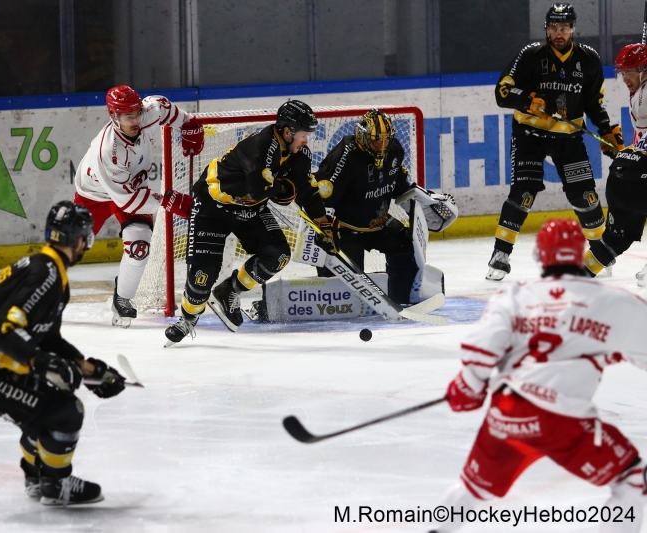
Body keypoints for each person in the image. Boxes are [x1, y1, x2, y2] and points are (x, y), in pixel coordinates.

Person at [430, 219, 647, 533]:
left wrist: (468, 386)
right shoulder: (611, 301)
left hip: (507, 415)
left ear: (540, 255)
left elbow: (482, 351)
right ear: (580, 253)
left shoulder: (516, 296)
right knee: (630, 477)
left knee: (472, 488)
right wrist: (606, 350)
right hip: (563, 422)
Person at [0, 201, 127, 506]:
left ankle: (36, 477)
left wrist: (90, 370)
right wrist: (43, 363)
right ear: (80, 240)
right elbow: (4, 331)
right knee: (65, 410)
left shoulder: (48, 269)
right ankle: (56, 485)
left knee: (47, 402)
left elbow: (47, 337)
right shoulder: (46, 275)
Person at [163, 100, 336, 345]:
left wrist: (324, 225)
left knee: (277, 255)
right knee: (202, 278)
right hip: (213, 208)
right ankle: (188, 319)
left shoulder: (299, 155)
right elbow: (258, 189)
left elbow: (306, 191)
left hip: (250, 208)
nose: (306, 141)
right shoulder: (260, 145)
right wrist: (283, 189)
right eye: (303, 135)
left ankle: (229, 290)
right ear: (288, 131)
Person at [487, 3, 624, 281]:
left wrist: (607, 130)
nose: (558, 33)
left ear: (573, 29)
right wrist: (527, 101)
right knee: (523, 192)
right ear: (546, 29)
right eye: (553, 27)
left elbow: (593, 103)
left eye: (564, 27)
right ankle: (500, 254)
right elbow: (502, 92)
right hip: (530, 136)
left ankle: (600, 252)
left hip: (568, 140)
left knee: (584, 195)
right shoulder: (531, 55)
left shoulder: (588, 59)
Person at [74, 85, 202, 328]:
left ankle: (122, 298)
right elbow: (128, 200)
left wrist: (189, 124)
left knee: (139, 247)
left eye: (137, 113)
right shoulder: (108, 151)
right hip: (94, 195)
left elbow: (165, 108)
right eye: (128, 117)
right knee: (69, 249)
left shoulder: (148, 113)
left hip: (131, 189)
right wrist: (167, 200)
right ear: (114, 116)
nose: (136, 121)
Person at [310, 109, 458, 304]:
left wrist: (425, 200)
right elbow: (321, 197)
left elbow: (399, 188)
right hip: (345, 230)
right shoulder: (345, 155)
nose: (381, 147)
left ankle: (401, 296)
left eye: (385, 141)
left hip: (378, 223)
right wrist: (324, 230)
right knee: (345, 293)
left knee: (406, 245)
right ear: (362, 137)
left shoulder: (394, 151)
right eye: (376, 141)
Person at [584, 44, 647, 286]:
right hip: (639, 176)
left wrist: (627, 152)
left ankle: (579, 276)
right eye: (623, 73)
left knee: (614, 240)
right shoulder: (642, 95)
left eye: (629, 72)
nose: (625, 78)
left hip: (622, 177)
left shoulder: (640, 97)